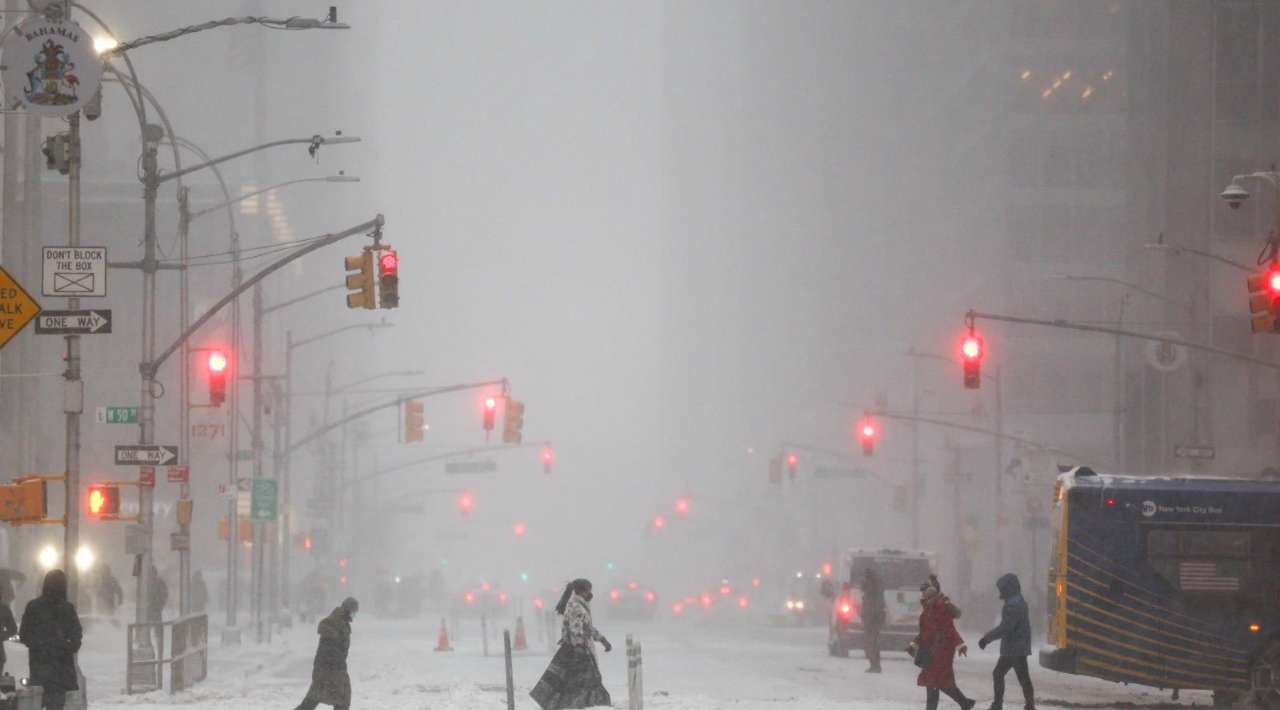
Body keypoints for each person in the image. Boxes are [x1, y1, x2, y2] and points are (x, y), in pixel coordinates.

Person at [530, 578, 612, 710]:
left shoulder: (580, 605)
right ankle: (593, 705)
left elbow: (587, 627)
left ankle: (584, 705)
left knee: (569, 683)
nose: (590, 594)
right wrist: (580, 649)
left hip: (576, 649)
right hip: (576, 651)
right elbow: (576, 630)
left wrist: (602, 639)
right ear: (582, 591)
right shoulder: (576, 607)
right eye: (588, 591)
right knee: (584, 682)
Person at [907, 576, 975, 710]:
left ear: (932, 596)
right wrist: (913, 645)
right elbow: (925, 632)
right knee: (937, 682)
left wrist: (960, 645)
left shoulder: (940, 609)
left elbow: (950, 629)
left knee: (936, 682)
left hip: (941, 652)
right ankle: (965, 703)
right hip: (932, 651)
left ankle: (962, 703)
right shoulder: (927, 611)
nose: (923, 596)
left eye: (925, 593)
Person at [19, 570, 82, 710]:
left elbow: (24, 635)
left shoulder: (33, 607)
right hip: (61, 668)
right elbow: (76, 637)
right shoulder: (67, 609)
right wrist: (67, 646)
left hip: (39, 666)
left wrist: (38, 645)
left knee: (37, 702)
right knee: (56, 704)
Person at [978, 574, 1035, 710]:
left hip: (1014, 648)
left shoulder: (1012, 605)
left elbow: (1006, 628)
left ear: (1008, 589)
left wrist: (987, 638)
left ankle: (1000, 704)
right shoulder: (1019, 601)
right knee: (1020, 677)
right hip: (1017, 647)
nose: (1000, 592)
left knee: (1005, 674)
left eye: (1002, 589)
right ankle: (1028, 705)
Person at [292, 597, 358, 710]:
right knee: (319, 698)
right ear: (348, 610)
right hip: (328, 668)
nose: (354, 615)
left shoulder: (342, 622)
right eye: (353, 611)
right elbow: (329, 648)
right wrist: (335, 665)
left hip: (334, 668)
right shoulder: (335, 622)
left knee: (338, 698)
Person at [861, 565, 887, 673]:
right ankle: (875, 664)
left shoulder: (871, 589)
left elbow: (871, 607)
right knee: (873, 643)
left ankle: (875, 665)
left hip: (872, 619)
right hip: (874, 619)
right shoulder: (877, 589)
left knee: (871, 643)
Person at [0, 589, 16, 675]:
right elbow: (13, 629)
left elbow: (13, 629)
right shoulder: (3, 609)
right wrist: (2, 635)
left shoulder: (3, 609)